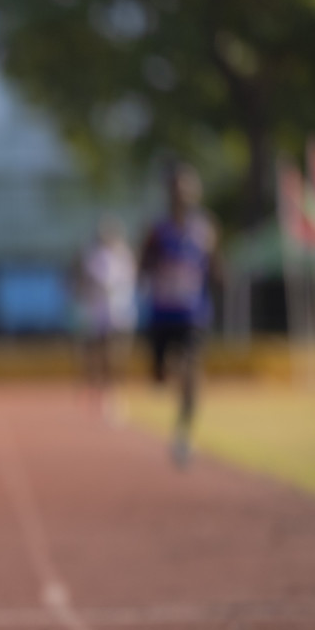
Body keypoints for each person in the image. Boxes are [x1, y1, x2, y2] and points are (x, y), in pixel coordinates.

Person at [139, 164, 219, 467]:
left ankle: (183, 434)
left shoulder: (206, 228)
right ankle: (169, 376)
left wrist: (219, 274)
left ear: (195, 192)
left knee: (190, 370)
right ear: (168, 192)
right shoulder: (156, 230)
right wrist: (156, 269)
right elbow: (142, 264)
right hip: (161, 313)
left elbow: (214, 266)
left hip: (193, 313)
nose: (181, 193)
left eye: (187, 187)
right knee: (159, 378)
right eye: (176, 187)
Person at [70, 216, 137, 417]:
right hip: (97, 314)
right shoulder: (93, 256)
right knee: (96, 354)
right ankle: (95, 388)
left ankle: (112, 393)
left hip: (119, 313)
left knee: (116, 356)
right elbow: (83, 282)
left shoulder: (124, 255)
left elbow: (129, 281)